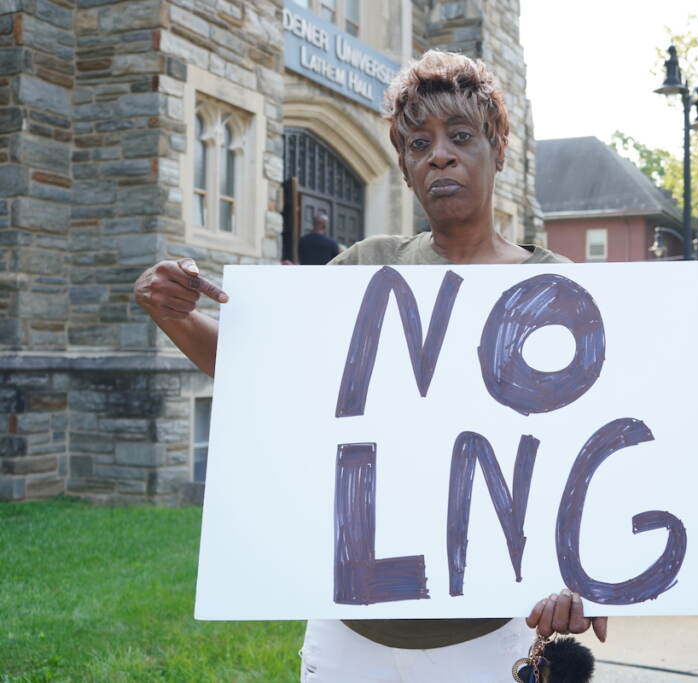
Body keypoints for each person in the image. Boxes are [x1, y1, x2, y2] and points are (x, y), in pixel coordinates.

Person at [133, 50, 606, 682]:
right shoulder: (362, 270)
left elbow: (587, 459)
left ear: (496, 147)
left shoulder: (558, 288)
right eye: (418, 144)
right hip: (350, 632)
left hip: (492, 637)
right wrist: (174, 315)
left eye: (460, 137)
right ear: (406, 169)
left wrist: (582, 577)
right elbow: (265, 378)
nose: (439, 154)